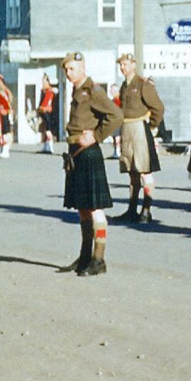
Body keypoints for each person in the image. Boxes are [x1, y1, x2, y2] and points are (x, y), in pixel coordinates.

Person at [59, 52, 123, 277]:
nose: (68, 73)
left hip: (88, 151)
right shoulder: (77, 90)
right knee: (83, 207)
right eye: (66, 69)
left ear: (82, 69)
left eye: (72, 69)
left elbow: (116, 115)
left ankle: (98, 259)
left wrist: (96, 135)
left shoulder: (93, 91)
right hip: (76, 151)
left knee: (95, 208)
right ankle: (85, 256)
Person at [114, 53, 165, 224]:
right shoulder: (124, 86)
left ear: (134, 65)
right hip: (126, 128)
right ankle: (132, 209)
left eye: (126, 64)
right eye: (121, 64)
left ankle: (146, 210)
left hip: (140, 128)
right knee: (132, 171)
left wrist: (151, 126)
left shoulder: (143, 85)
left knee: (144, 170)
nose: (123, 67)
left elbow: (158, 107)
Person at [37, 74, 59, 154]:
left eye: (44, 81)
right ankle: (46, 146)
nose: (43, 83)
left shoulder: (49, 91)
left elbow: (47, 102)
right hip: (43, 112)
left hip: (47, 112)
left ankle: (50, 146)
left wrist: (42, 107)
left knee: (48, 130)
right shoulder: (44, 91)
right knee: (45, 130)